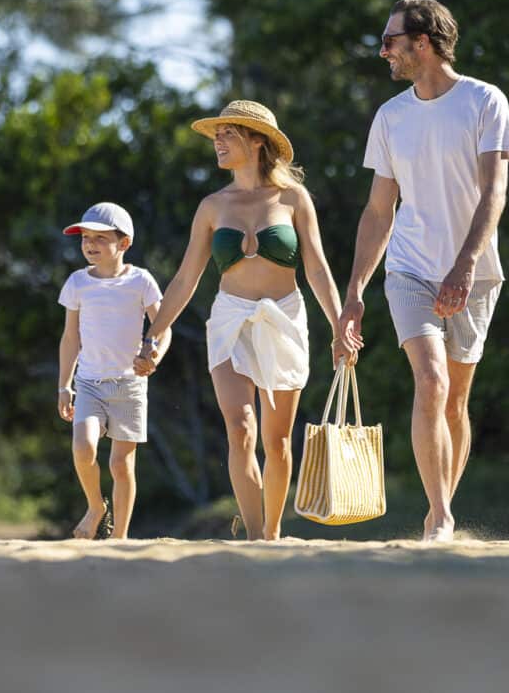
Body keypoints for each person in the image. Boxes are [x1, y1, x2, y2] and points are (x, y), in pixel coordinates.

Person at [340, 0, 509, 542]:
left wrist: (465, 265)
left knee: (456, 399)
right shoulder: (390, 116)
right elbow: (379, 211)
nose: (383, 52)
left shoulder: (484, 101)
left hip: (475, 273)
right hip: (410, 269)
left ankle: (440, 509)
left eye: (390, 41)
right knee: (431, 379)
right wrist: (355, 292)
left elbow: (494, 193)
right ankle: (440, 516)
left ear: (423, 42)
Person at [134, 100, 356, 541]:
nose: (217, 142)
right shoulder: (212, 206)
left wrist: (340, 326)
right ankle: (255, 536)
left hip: (284, 319)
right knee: (240, 429)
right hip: (230, 319)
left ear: (257, 141)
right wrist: (152, 336)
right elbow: (185, 279)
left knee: (277, 441)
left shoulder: (293, 199)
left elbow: (317, 269)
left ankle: (272, 532)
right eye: (216, 135)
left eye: (228, 134)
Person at [58, 202, 168, 540]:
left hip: (130, 386)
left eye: (100, 238)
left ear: (124, 243)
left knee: (121, 465)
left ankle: (119, 538)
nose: (90, 244)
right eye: (85, 238)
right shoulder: (77, 283)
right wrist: (64, 385)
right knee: (83, 448)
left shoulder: (141, 281)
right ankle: (96, 507)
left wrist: (154, 355)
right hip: (89, 383)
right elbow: (70, 338)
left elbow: (163, 326)